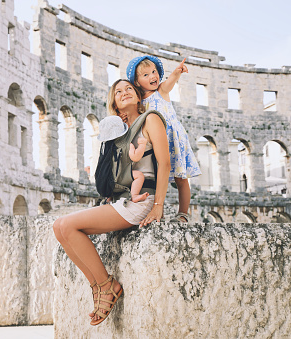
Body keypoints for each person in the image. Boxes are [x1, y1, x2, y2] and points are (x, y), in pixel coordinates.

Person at [53, 79, 170, 326]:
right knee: (59, 227)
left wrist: (159, 205)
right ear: (114, 103)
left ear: (138, 96)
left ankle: (107, 286)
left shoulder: (150, 119)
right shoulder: (115, 131)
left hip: (141, 201)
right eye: (118, 92)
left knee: (69, 226)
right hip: (120, 201)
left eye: (129, 89)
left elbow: (165, 163)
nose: (124, 92)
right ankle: (98, 287)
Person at [126, 55, 201, 223]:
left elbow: (170, 82)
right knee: (160, 176)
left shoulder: (161, 91)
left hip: (173, 139)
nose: (153, 76)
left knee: (181, 178)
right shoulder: (139, 102)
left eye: (154, 72)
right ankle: (159, 210)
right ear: (137, 82)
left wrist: (177, 71)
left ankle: (183, 214)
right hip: (155, 142)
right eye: (146, 75)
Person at [97, 115, 149, 203]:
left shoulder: (105, 148)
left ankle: (108, 198)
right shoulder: (127, 145)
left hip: (107, 181)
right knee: (139, 175)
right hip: (118, 180)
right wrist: (142, 145)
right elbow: (136, 157)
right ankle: (134, 195)